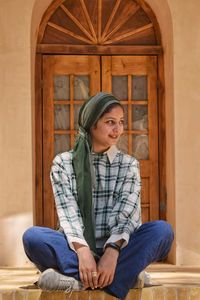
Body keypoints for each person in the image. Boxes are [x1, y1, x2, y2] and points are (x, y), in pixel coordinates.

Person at [23, 92, 174, 299]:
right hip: (76, 251)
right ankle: (126, 277)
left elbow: (126, 215)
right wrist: (83, 252)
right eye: (110, 122)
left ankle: (75, 281)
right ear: (91, 124)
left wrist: (112, 252)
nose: (117, 129)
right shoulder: (63, 163)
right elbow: (68, 214)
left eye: (121, 122)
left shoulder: (128, 165)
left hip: (120, 250)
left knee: (162, 232)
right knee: (33, 238)